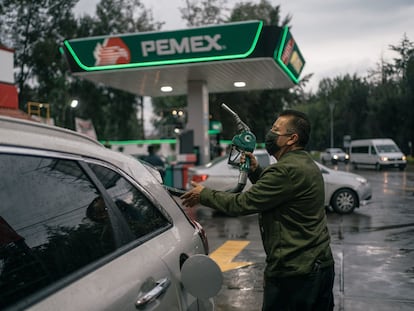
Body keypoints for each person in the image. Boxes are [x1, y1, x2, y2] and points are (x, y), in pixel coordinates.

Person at [180, 110, 335, 311]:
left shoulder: (285, 170)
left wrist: (204, 195)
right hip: (317, 266)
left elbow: (243, 203)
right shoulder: (304, 164)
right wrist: (255, 171)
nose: (270, 133)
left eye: (276, 130)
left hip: (296, 273)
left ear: (292, 139)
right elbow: (278, 194)